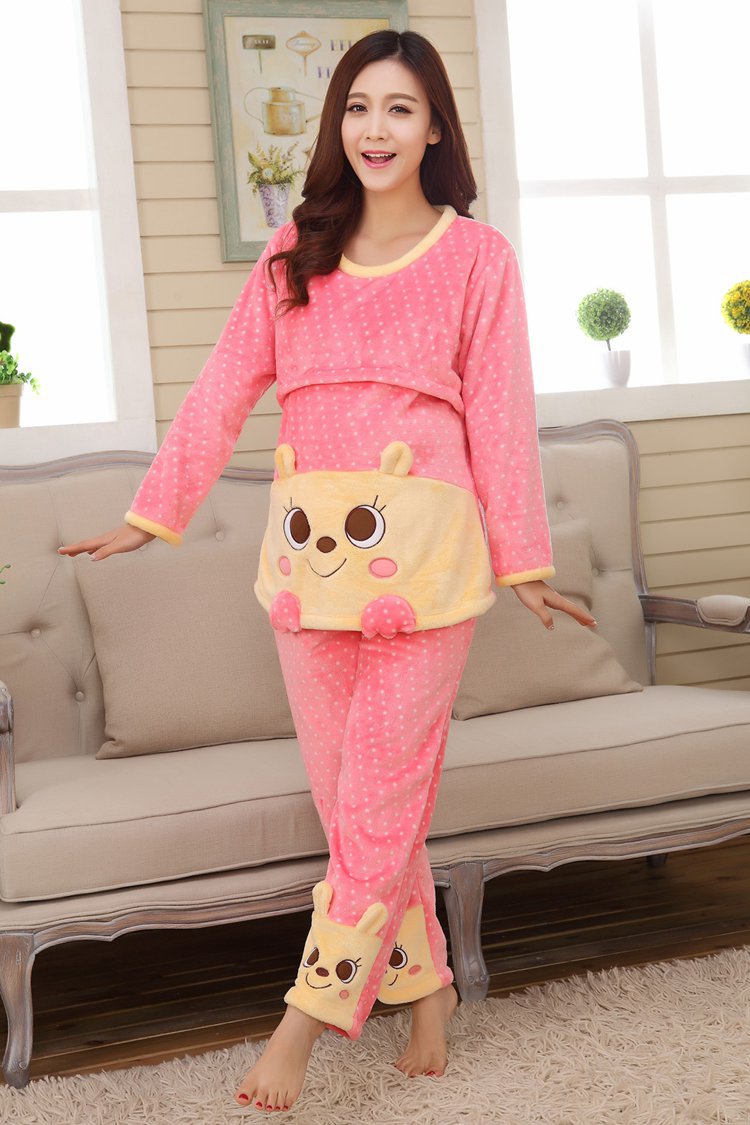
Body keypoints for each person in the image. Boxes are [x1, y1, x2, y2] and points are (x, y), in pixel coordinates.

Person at [58, 27, 597, 1116]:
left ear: (435, 127)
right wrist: (152, 514)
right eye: (357, 107)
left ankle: (301, 1021)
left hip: (426, 577)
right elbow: (222, 388)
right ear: (336, 123)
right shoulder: (293, 253)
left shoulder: (478, 257)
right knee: (360, 809)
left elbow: (501, 416)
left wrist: (523, 560)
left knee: (380, 801)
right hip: (308, 575)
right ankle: (429, 987)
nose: (374, 129)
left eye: (399, 108)